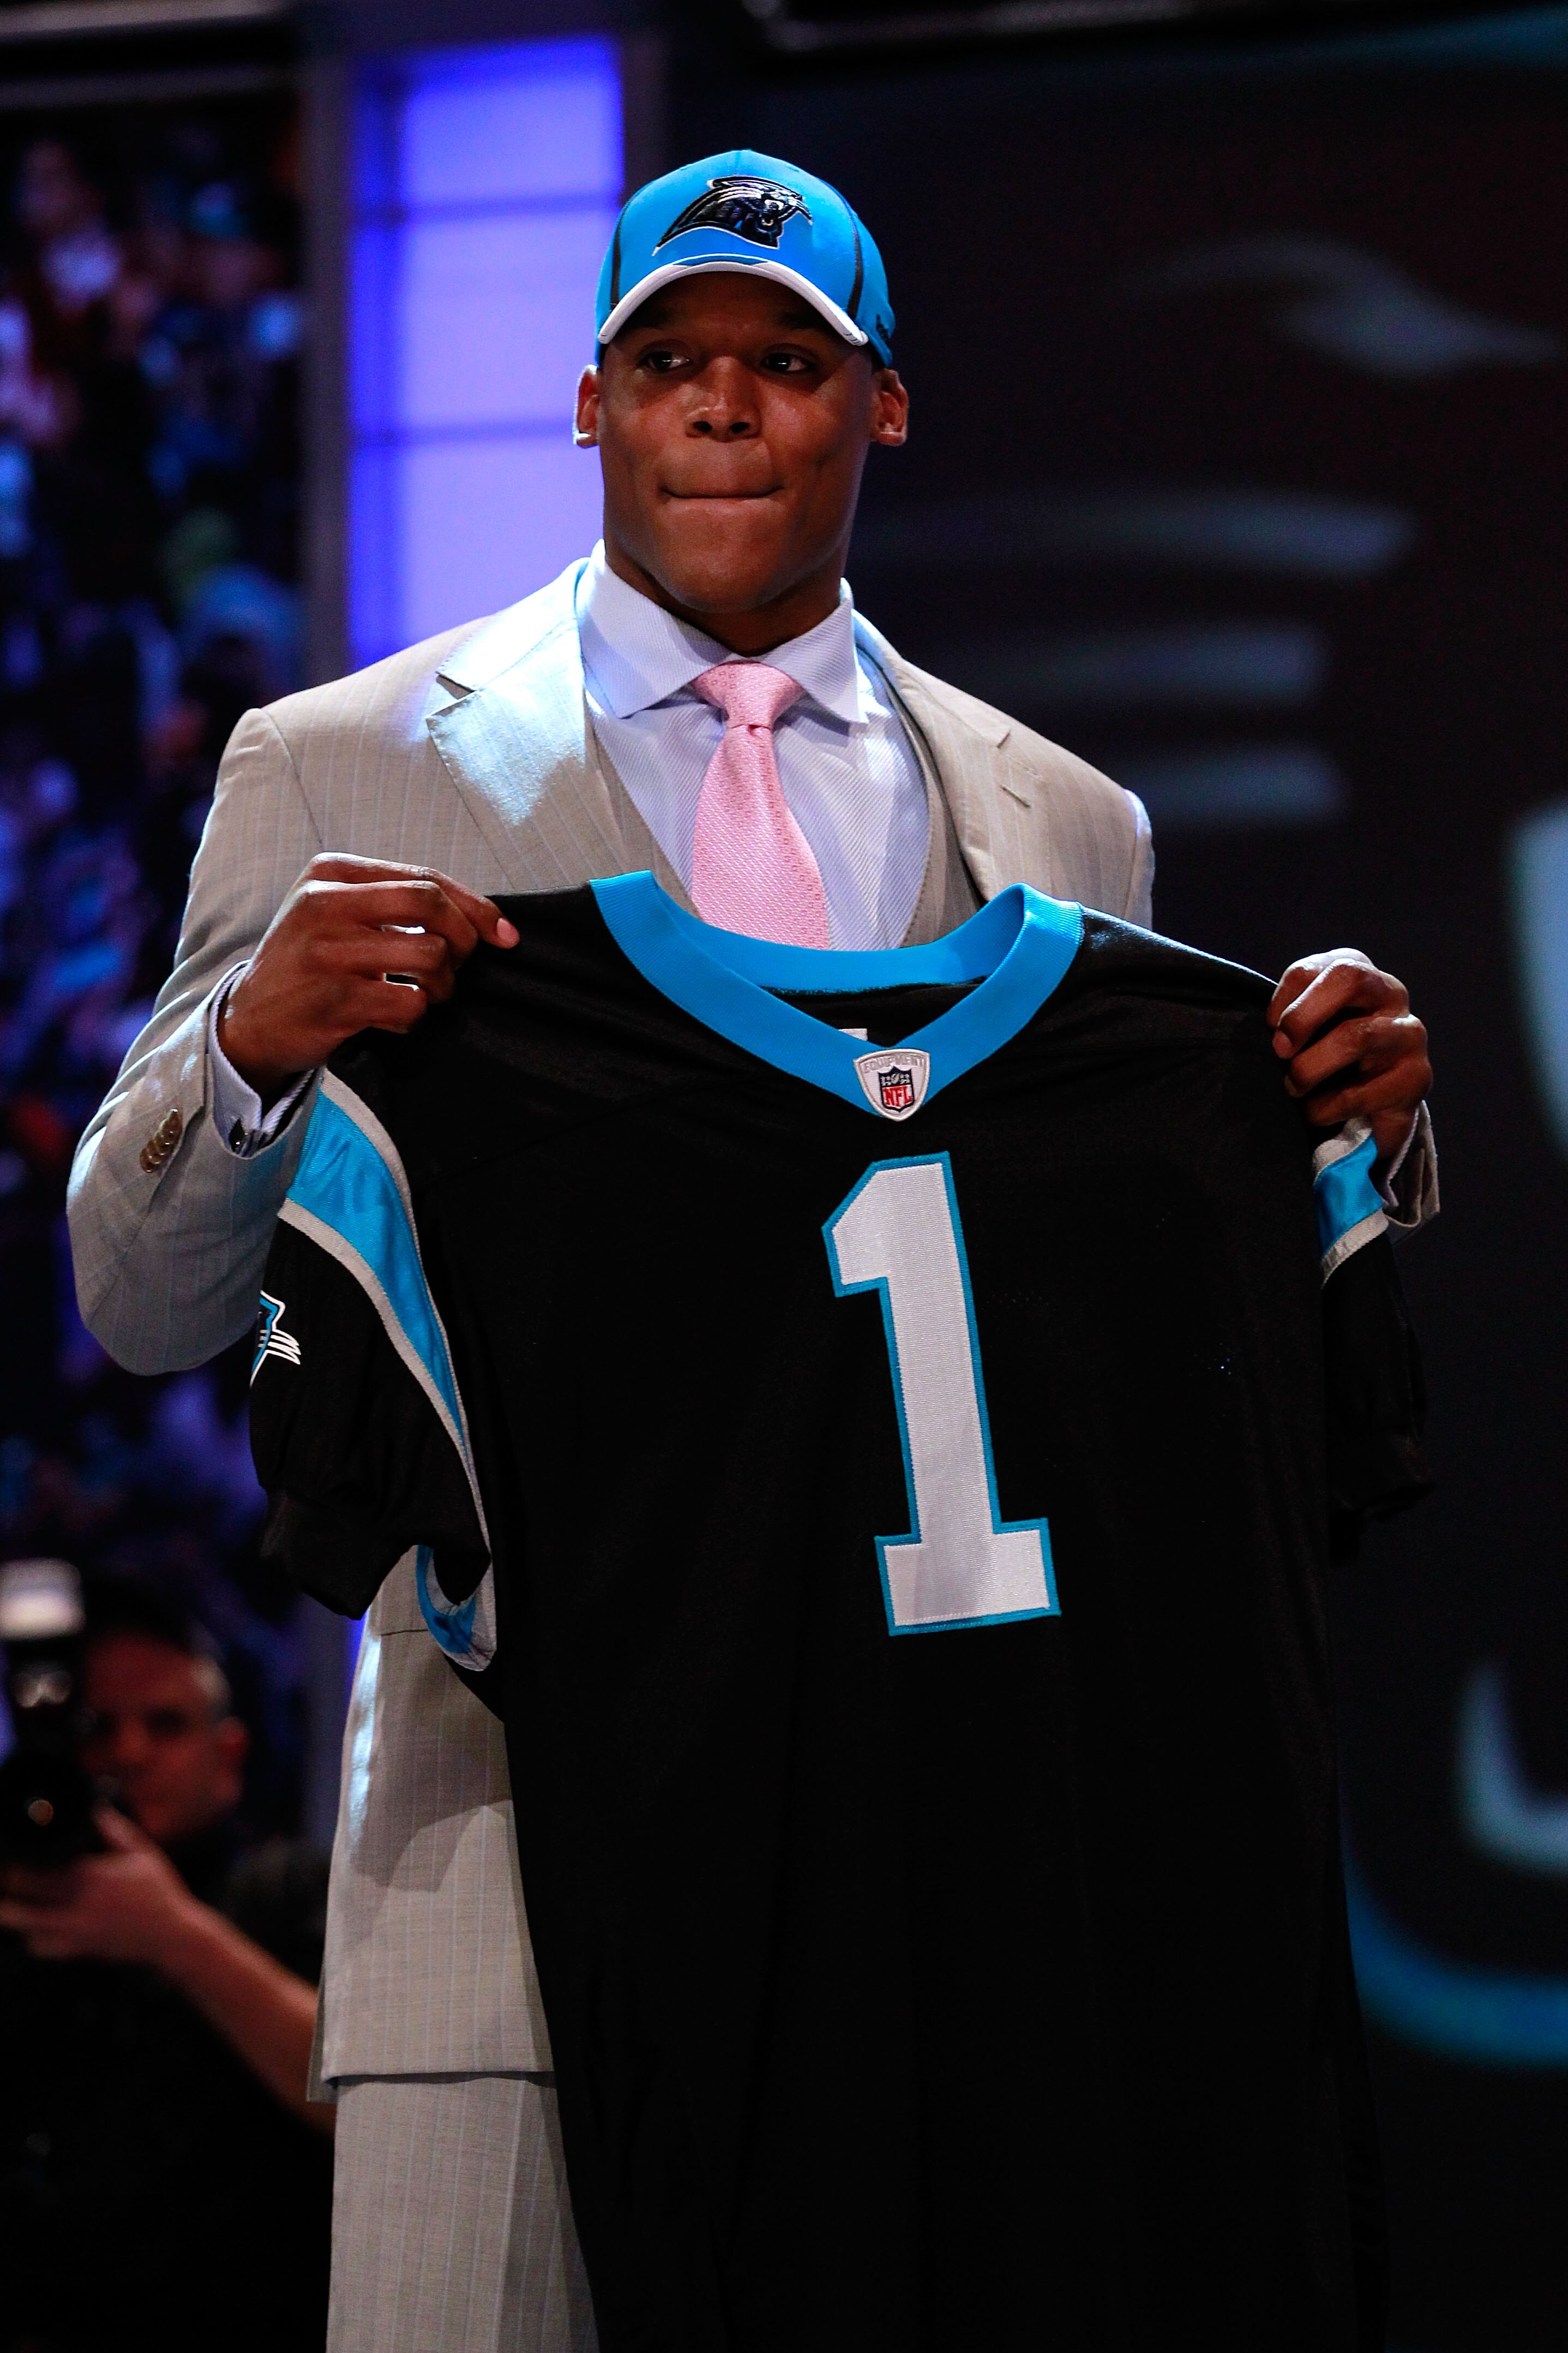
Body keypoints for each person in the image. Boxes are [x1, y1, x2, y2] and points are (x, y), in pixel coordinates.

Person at [65, 152, 1434, 2353]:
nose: (720, 402)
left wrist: (1333, 1128)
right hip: (502, 1891)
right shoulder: (333, 766)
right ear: (585, 402)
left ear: (879, 402)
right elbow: (139, 1303)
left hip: (935, 1896)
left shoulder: (1063, 819)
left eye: (785, 361)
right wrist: (246, 1047)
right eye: (667, 358)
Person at [0, 1578, 332, 2351]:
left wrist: (174, 1936)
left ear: (229, 1755)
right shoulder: (25, 1902)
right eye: (98, 1727)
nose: (129, 1753)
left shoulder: (289, 1891)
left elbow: (356, 2103)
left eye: (165, 1724)